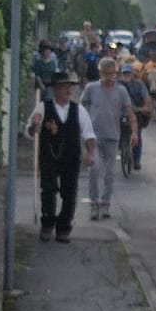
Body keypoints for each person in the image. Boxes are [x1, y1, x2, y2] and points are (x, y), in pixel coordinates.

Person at [25, 70, 95, 242]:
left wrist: (90, 153)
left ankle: (64, 227)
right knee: (48, 191)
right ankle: (47, 224)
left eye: (69, 87)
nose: (69, 91)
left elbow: (88, 134)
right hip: (48, 156)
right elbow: (29, 133)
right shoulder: (43, 107)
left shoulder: (78, 110)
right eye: (64, 87)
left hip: (71, 157)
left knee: (69, 193)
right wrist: (34, 125)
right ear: (56, 89)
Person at [82, 56, 137, 221]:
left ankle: (105, 204)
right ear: (100, 73)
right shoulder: (91, 88)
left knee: (109, 173)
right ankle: (94, 205)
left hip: (112, 137)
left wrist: (134, 132)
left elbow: (130, 114)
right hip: (92, 137)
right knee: (94, 169)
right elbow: (81, 109)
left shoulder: (121, 91)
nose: (109, 77)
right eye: (105, 73)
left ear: (115, 73)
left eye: (112, 74)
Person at [118, 61, 152, 171]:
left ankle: (136, 160)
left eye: (128, 73)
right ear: (121, 74)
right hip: (121, 112)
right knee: (115, 131)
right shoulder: (117, 84)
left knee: (137, 135)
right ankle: (120, 147)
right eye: (125, 73)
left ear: (132, 74)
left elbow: (146, 97)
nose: (126, 75)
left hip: (136, 111)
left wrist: (145, 107)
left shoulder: (139, 84)